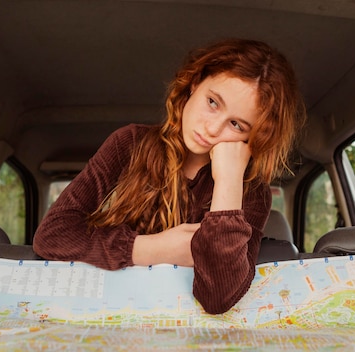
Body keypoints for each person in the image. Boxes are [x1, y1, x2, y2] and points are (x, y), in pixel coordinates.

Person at [33, 38, 306, 314]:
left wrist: (229, 182)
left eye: (236, 124)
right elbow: (52, 236)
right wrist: (153, 249)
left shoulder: (251, 191)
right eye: (212, 102)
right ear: (194, 84)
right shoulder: (129, 144)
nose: (212, 128)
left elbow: (218, 298)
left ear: (253, 137)